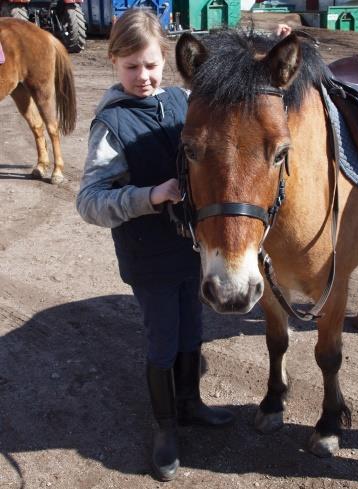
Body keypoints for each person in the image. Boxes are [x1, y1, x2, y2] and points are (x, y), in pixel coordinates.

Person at [75, 9, 235, 482]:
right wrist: (150, 196)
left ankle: (190, 404)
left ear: (164, 61)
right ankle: (165, 426)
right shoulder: (111, 124)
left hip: (192, 251)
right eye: (131, 68)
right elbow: (90, 202)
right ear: (113, 63)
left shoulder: (184, 102)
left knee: (192, 331)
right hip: (148, 259)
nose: (143, 77)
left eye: (151, 66)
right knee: (163, 339)